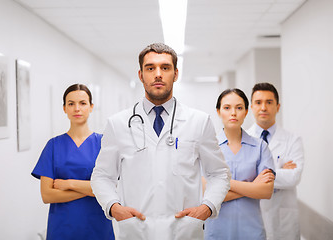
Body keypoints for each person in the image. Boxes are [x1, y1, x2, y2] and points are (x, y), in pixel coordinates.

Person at [90, 43, 231, 240]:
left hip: (184, 231)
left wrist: (206, 208)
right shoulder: (118, 124)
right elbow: (102, 176)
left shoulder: (198, 121)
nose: (158, 74)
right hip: (136, 231)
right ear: (140, 75)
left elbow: (219, 174)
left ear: (176, 74)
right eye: (150, 68)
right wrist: (114, 208)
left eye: (165, 67)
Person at [31, 84, 115, 240]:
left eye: (82, 103)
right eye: (71, 104)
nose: (77, 108)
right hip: (62, 228)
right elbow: (47, 195)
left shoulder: (104, 144)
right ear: (64, 108)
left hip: (97, 227)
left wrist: (68, 183)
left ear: (91, 107)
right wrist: (91, 190)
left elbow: (109, 189)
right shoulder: (53, 146)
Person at [204, 88, 275, 240]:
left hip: (252, 231)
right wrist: (253, 186)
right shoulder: (208, 147)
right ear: (218, 111)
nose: (233, 113)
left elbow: (266, 191)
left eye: (239, 107)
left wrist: (221, 184)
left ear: (246, 111)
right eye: (227, 108)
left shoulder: (260, 147)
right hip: (217, 232)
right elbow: (205, 193)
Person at [247, 82, 305, 240]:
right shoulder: (241, 139)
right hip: (251, 216)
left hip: (283, 219)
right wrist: (279, 172)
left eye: (269, 102)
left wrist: (256, 175)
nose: (263, 107)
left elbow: (294, 177)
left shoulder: (293, 140)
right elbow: (237, 177)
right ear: (251, 107)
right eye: (258, 103)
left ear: (278, 107)